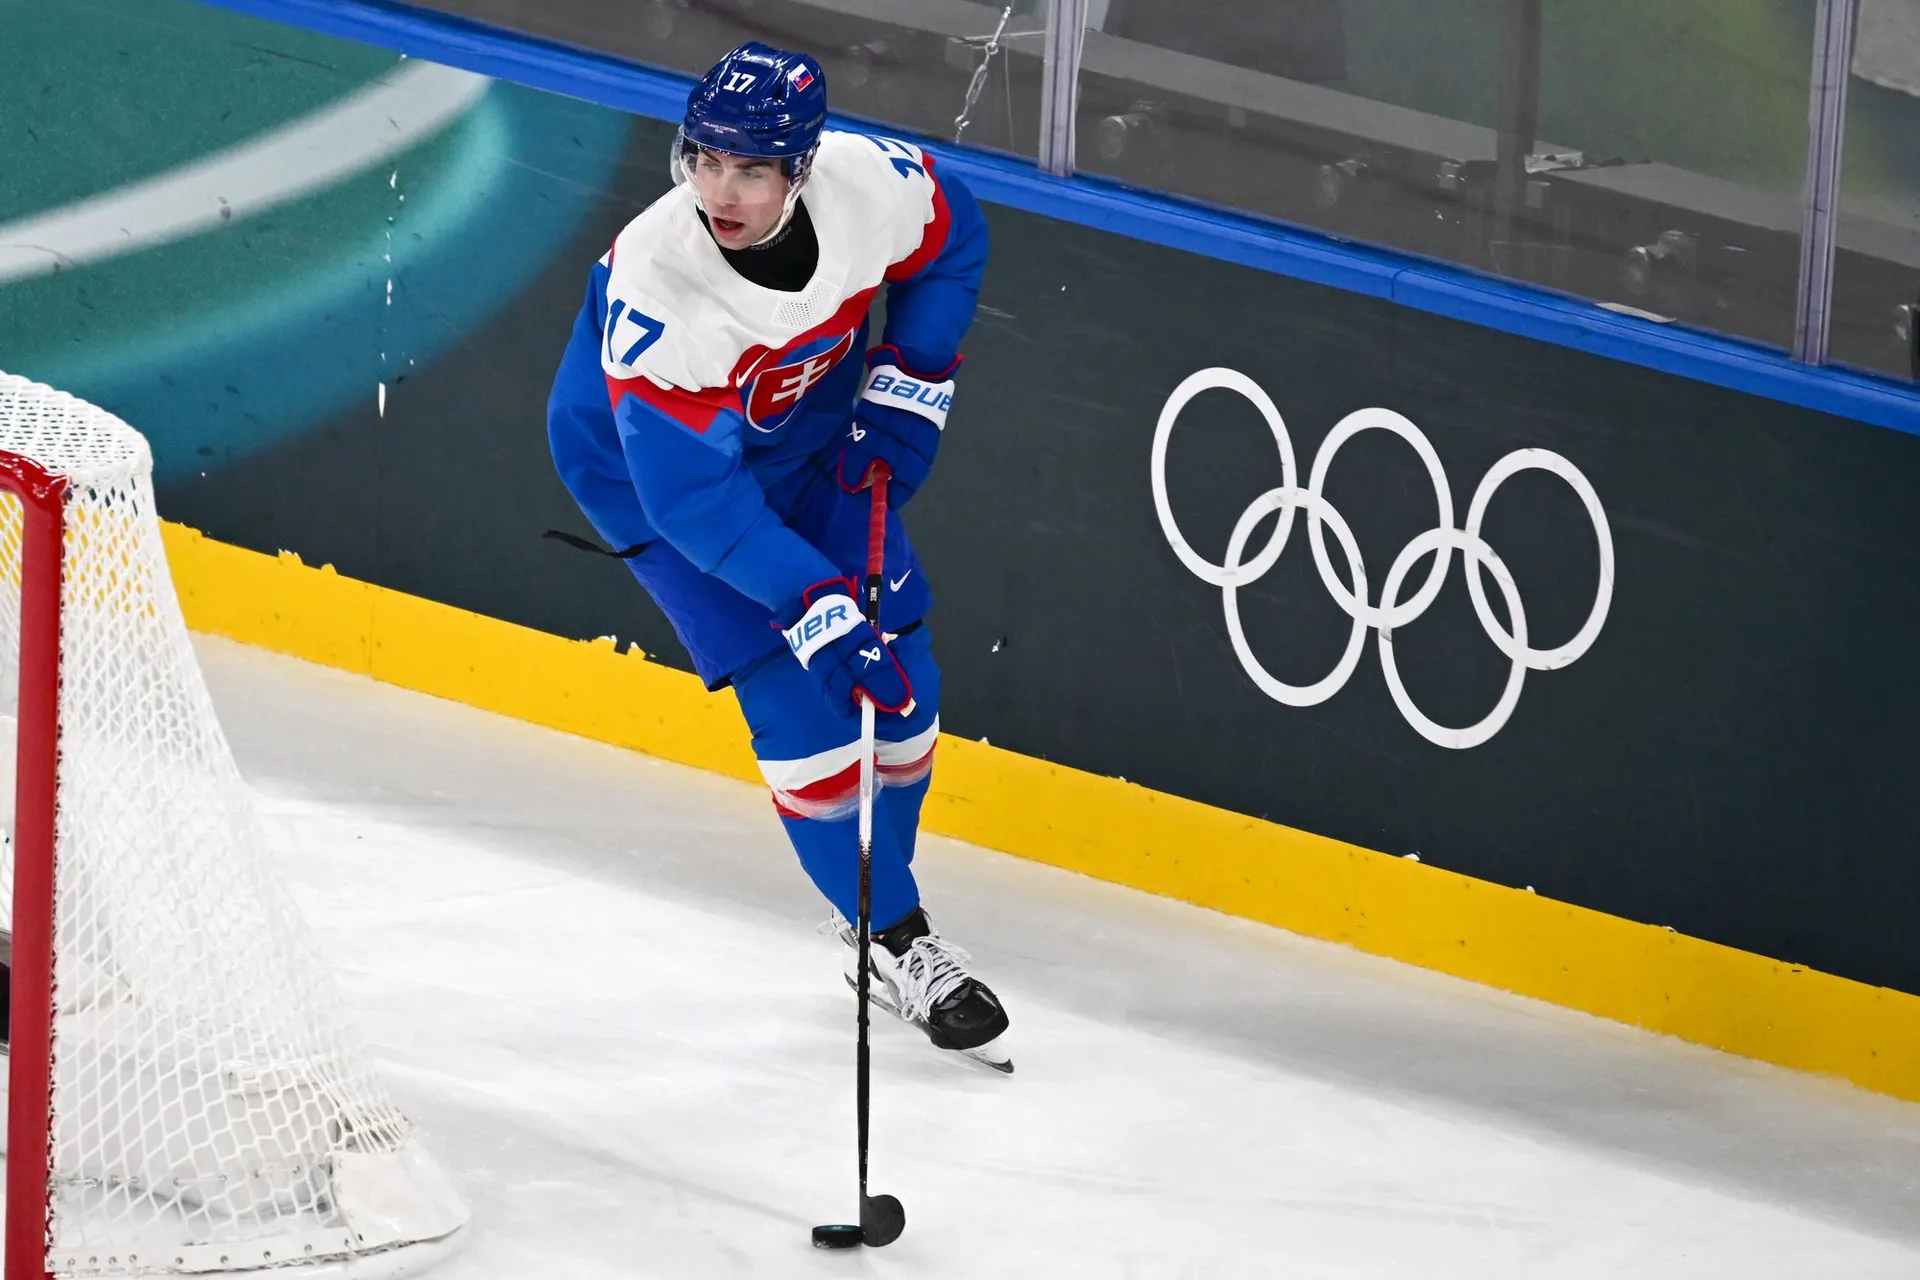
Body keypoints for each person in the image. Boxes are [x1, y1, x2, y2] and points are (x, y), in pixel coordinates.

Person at [546, 42, 1009, 1071]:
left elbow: (954, 238)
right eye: (704, 159)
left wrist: (911, 380)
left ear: (801, 168)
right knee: (801, 702)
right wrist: (811, 604)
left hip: (806, 439)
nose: (719, 190)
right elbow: (692, 498)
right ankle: (898, 937)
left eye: (750, 169)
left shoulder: (867, 186)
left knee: (906, 687)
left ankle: (876, 904)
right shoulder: (660, 283)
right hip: (652, 479)